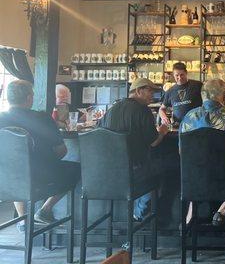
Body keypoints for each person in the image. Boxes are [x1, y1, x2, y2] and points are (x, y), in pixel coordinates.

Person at [0, 80, 80, 231]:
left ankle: (23, 219)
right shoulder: (42, 118)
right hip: (40, 179)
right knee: (75, 169)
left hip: (5, 179)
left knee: (16, 170)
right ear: (30, 98)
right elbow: (62, 151)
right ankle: (44, 210)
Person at [179, 79, 225, 225]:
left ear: (203, 95)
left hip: (195, 179)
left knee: (198, 172)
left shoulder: (188, 117)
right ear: (223, 96)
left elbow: (182, 153)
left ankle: (192, 207)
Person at [98, 78, 169, 221]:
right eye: (150, 91)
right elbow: (154, 142)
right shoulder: (143, 110)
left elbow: (98, 132)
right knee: (164, 169)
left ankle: (126, 216)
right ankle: (141, 212)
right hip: (134, 173)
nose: (153, 96)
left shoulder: (112, 109)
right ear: (138, 91)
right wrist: (162, 131)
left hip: (106, 175)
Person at [159, 62, 202, 128]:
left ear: (186, 73)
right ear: (173, 75)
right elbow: (162, 108)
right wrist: (164, 117)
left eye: (182, 75)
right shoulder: (170, 91)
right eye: (177, 75)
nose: (179, 77)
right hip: (179, 126)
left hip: (197, 125)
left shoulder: (197, 85)